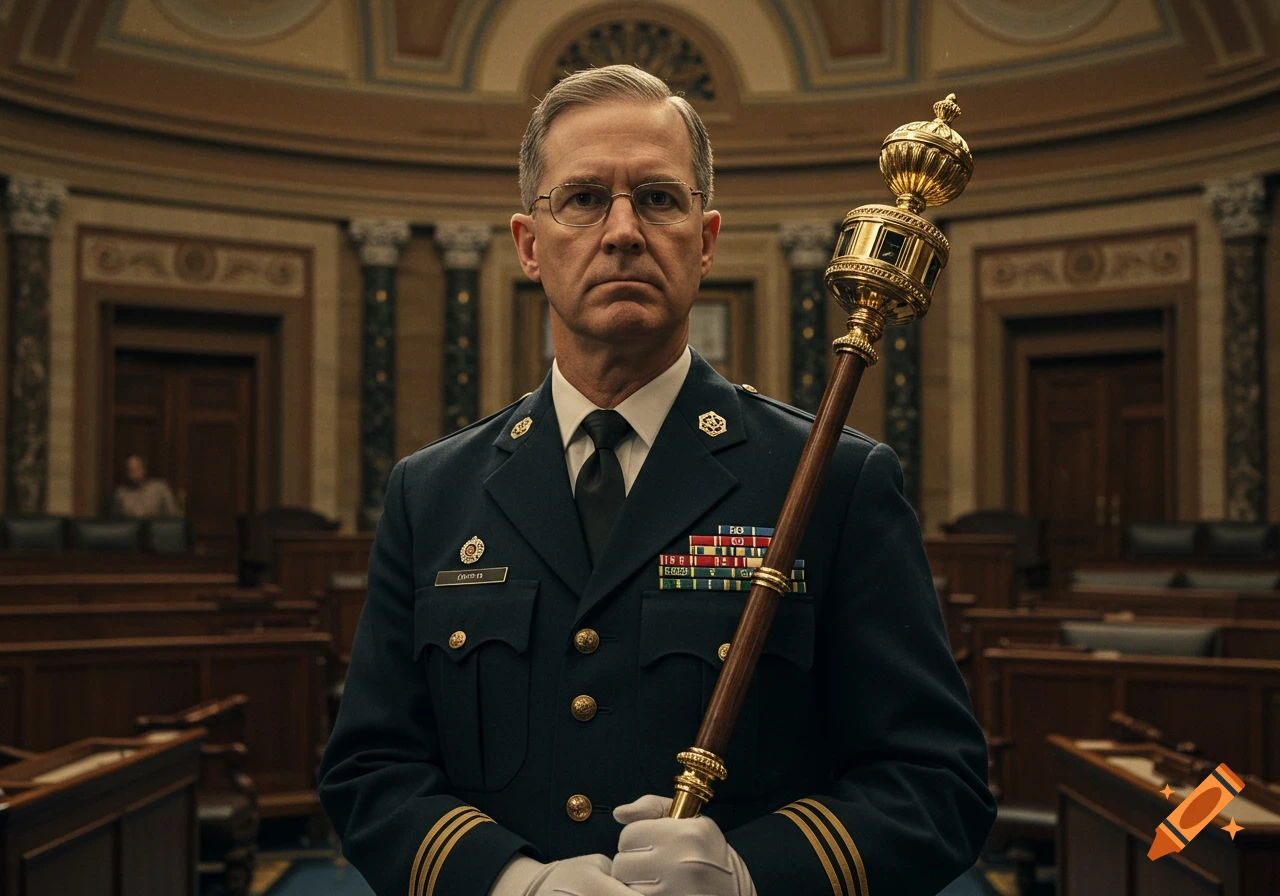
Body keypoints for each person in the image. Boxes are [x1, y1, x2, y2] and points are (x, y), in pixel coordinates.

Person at [318, 64, 995, 896]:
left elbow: (939, 784)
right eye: (583, 199)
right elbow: (371, 772)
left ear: (705, 242)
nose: (624, 230)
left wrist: (755, 876)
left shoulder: (834, 481)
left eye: (660, 199)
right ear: (531, 245)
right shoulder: (431, 493)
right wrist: (510, 884)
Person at [110, 454, 180, 518]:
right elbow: (116, 520)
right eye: (130, 470)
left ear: (144, 469)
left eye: (137, 469)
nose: (134, 474)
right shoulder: (120, 493)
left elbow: (172, 514)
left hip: (157, 529)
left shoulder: (160, 488)